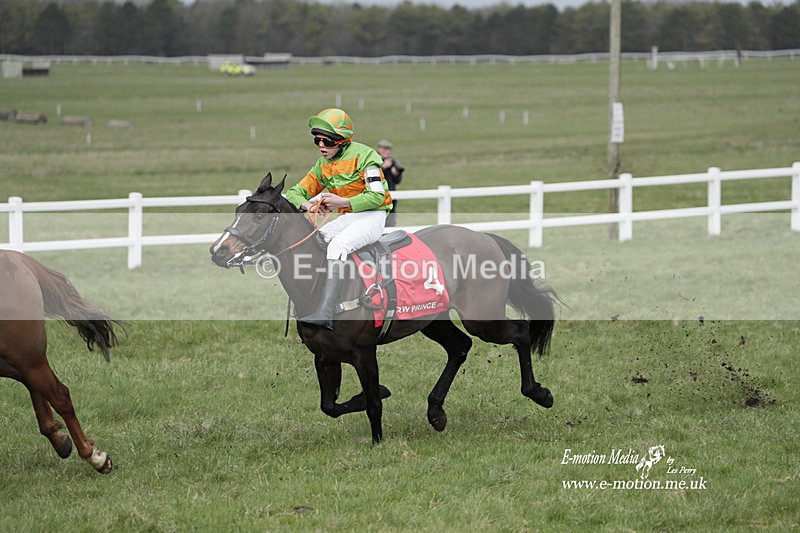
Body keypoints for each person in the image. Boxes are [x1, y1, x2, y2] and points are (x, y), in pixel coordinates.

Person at [284, 108, 393, 329]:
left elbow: (377, 196)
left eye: (328, 141)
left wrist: (341, 203)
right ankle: (326, 302)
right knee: (316, 241)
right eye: (317, 140)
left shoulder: (366, 157)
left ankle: (326, 312)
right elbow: (295, 193)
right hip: (349, 217)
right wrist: (308, 204)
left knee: (338, 245)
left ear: (342, 141)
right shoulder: (322, 165)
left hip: (373, 216)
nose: (322, 146)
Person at [376, 139, 404, 227]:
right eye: (384, 149)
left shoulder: (392, 161)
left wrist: (395, 173)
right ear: (379, 149)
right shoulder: (375, 160)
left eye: (388, 149)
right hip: (379, 196)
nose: (387, 151)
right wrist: (384, 167)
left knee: (391, 222)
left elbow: (398, 180)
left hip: (392, 196)